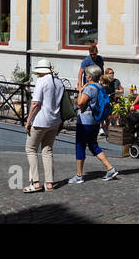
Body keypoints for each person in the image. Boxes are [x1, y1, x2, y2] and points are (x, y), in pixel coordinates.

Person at [69, 68, 119, 184]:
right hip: (96, 121)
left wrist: (80, 90)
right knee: (93, 145)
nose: (85, 77)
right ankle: (110, 168)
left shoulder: (89, 88)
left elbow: (81, 104)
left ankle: (79, 175)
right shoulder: (100, 87)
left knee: (80, 145)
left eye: (86, 75)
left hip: (85, 122)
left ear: (90, 77)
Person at [22, 64, 63, 192]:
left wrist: (28, 121)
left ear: (41, 72)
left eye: (38, 73)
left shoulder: (41, 81)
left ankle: (35, 183)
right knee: (47, 150)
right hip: (55, 121)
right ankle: (49, 183)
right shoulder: (59, 82)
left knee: (31, 149)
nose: (38, 75)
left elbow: (35, 104)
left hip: (40, 121)